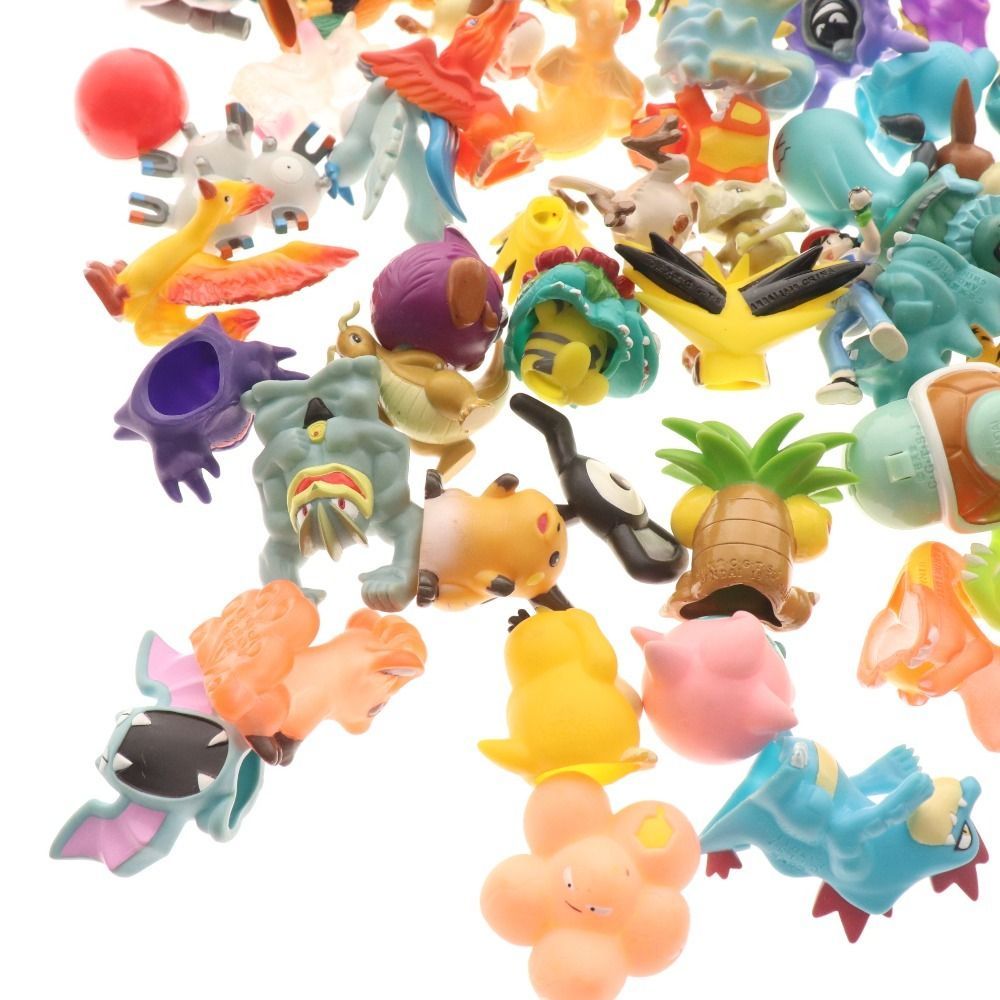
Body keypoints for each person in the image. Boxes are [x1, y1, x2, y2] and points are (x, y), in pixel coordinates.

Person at [810, 187, 907, 404]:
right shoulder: (820, 277)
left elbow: (872, 243)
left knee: (857, 293)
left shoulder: (852, 256)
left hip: (862, 291)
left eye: (829, 241)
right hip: (841, 306)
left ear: (847, 240)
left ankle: (882, 328)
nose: (824, 250)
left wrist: (863, 213)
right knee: (827, 335)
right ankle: (843, 377)